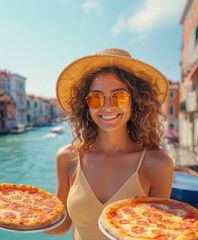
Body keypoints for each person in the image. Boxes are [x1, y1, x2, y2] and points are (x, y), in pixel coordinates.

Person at [45, 48, 174, 239]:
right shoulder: (67, 158)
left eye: (119, 96)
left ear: (135, 101)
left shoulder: (157, 164)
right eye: (96, 98)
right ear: (86, 104)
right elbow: (61, 225)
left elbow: (158, 233)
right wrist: (21, 216)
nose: (107, 106)